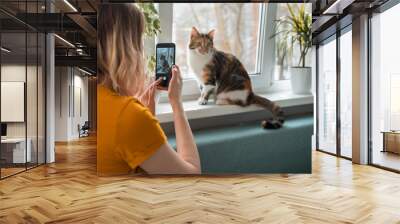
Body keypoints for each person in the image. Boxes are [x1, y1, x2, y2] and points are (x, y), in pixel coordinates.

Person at [97, 4, 201, 175]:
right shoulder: (128, 115)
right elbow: (192, 176)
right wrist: (176, 103)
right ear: (128, 48)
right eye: (140, 41)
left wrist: (146, 115)